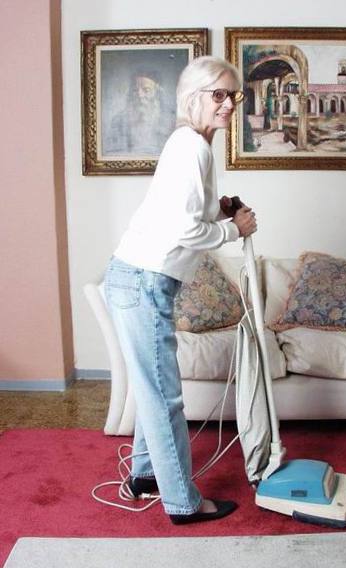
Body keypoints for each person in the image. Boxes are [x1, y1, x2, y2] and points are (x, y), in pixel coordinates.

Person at [104, 56, 257, 524]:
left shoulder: (190, 143)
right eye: (219, 94)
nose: (229, 104)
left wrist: (220, 209)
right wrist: (234, 229)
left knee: (152, 390)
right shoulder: (192, 147)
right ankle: (183, 503)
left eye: (234, 95)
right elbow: (184, 231)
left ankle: (146, 475)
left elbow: (183, 214)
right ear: (193, 98)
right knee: (164, 397)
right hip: (143, 280)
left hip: (140, 279)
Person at [104, 70, 174, 157]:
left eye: (146, 90)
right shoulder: (119, 120)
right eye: (135, 90)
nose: (140, 95)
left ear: (157, 93)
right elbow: (112, 154)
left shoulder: (171, 120)